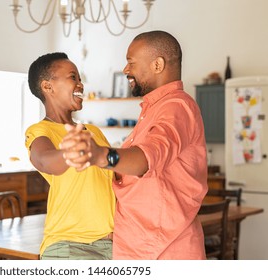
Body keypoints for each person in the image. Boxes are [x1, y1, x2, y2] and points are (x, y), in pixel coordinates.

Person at [60, 30, 208, 260]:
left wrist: (100, 156)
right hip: (138, 243)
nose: (125, 70)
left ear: (157, 65)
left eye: (131, 62)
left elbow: (148, 158)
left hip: (164, 250)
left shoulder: (177, 107)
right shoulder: (154, 109)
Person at [24, 52, 115, 260]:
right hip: (69, 246)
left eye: (80, 79)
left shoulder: (93, 132)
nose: (80, 84)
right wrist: (72, 152)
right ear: (48, 87)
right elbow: (44, 159)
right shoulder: (40, 131)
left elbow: (114, 179)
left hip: (110, 244)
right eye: (73, 77)